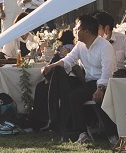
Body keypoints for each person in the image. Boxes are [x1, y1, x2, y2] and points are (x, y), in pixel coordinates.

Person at [43, 14, 111, 144]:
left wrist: (100, 88)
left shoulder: (105, 46)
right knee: (58, 74)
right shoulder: (80, 45)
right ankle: (61, 124)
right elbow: (69, 60)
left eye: (78, 28)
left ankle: (80, 131)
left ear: (86, 31)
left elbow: (107, 72)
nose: (75, 30)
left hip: (103, 84)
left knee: (74, 96)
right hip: (88, 82)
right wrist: (51, 66)